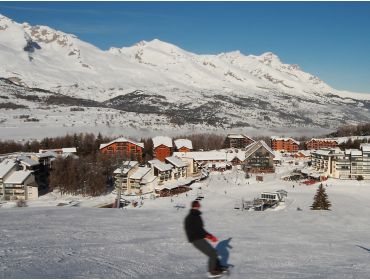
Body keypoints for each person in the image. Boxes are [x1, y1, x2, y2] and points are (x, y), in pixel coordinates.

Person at [184, 200, 224, 277]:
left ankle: (219, 268)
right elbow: (197, 229)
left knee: (213, 252)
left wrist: (208, 235)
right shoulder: (193, 216)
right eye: (198, 205)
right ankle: (212, 271)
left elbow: (200, 229)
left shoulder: (195, 215)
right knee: (212, 253)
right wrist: (208, 236)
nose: (199, 206)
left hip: (198, 238)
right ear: (197, 206)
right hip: (196, 239)